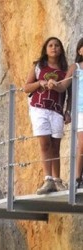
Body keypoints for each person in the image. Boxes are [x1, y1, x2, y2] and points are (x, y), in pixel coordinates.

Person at [24, 37, 71, 195]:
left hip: (57, 110)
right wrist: (40, 83)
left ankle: (57, 181)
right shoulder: (38, 66)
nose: (54, 48)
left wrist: (68, 111)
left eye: (57, 45)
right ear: (45, 49)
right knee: (45, 143)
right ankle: (48, 179)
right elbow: (26, 87)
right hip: (39, 108)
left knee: (56, 145)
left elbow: (69, 93)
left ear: (61, 49)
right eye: (50, 45)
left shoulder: (65, 71)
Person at [48, 37, 83, 188]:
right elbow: (64, 86)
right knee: (82, 144)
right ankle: (77, 179)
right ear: (79, 50)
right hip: (80, 110)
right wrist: (53, 84)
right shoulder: (76, 67)